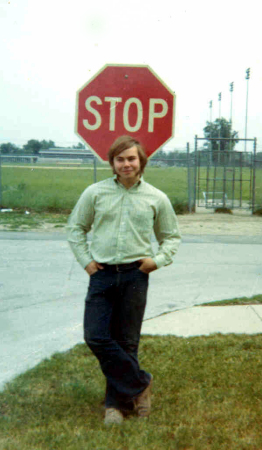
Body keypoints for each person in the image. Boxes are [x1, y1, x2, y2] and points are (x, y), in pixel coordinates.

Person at [67, 135, 181, 425]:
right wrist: (86, 262)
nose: (126, 164)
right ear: (113, 163)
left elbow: (171, 237)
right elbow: (76, 228)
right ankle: (141, 384)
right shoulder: (95, 193)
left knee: (127, 342)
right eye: (120, 159)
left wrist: (156, 261)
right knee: (95, 336)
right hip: (102, 275)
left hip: (135, 275)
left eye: (131, 158)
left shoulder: (157, 197)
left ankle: (115, 407)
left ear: (141, 161)